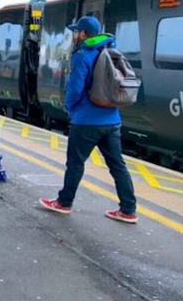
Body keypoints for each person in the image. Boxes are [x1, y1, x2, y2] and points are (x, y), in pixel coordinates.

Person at [39, 16, 137, 223]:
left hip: (86, 121)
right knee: (118, 165)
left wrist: (69, 108)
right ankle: (128, 210)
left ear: (83, 34)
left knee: (75, 163)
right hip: (112, 119)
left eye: (77, 32)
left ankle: (64, 203)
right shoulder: (110, 50)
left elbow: (75, 88)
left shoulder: (82, 55)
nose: (75, 35)